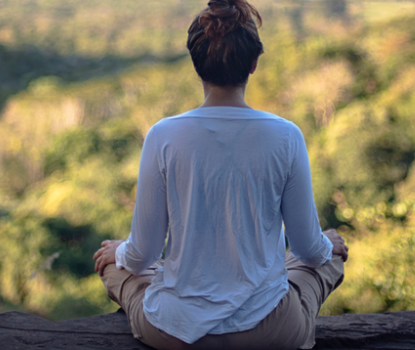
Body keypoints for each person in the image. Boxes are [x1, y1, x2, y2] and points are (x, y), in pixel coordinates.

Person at [92, 1, 348, 349]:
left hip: (175, 332)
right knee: (326, 254)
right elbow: (306, 247)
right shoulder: (286, 135)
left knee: (116, 263)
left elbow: (144, 256)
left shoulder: (163, 135)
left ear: (196, 63)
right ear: (254, 63)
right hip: (270, 332)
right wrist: (324, 245)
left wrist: (122, 252)